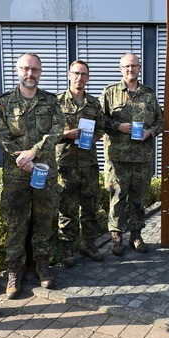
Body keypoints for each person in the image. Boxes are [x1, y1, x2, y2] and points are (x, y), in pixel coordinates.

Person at [0, 53, 65, 299]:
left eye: (35, 69)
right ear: (17, 70)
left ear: (41, 72)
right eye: (25, 69)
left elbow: (57, 130)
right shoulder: (4, 102)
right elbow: (1, 134)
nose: (30, 74)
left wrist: (34, 152)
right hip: (17, 175)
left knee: (44, 220)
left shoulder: (51, 101)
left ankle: (42, 266)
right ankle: (14, 272)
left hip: (45, 172)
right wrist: (22, 158)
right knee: (16, 223)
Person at [100, 53, 164, 255]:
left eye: (134, 66)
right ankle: (116, 237)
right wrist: (118, 126)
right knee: (117, 198)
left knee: (138, 198)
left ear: (139, 68)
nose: (130, 69)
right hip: (118, 158)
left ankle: (136, 234)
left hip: (141, 158)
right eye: (126, 66)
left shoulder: (148, 94)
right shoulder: (109, 93)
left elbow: (160, 121)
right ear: (120, 68)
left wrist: (150, 132)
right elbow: (99, 120)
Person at [55, 60, 106, 266]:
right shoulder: (56, 102)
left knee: (90, 206)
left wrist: (91, 139)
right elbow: (47, 132)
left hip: (88, 163)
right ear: (69, 75)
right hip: (65, 163)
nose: (80, 78)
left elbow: (102, 128)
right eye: (76, 73)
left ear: (88, 78)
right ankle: (67, 248)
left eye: (84, 74)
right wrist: (66, 134)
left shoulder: (94, 104)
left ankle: (89, 244)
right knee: (66, 208)